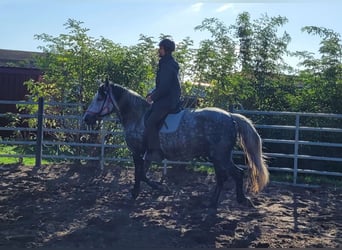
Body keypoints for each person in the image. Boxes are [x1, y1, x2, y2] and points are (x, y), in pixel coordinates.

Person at [143, 38, 181, 162]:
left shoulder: (167, 65)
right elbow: (161, 86)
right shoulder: (167, 63)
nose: (159, 50)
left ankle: (155, 152)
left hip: (167, 101)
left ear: (165, 50)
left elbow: (164, 87)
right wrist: (152, 93)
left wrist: (152, 97)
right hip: (166, 98)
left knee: (150, 122)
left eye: (160, 48)